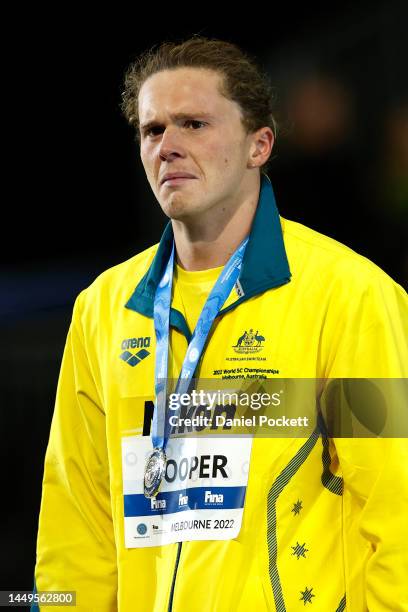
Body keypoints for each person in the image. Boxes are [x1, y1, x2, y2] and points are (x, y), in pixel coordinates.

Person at [32, 37, 408, 611]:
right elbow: (75, 521)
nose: (168, 147)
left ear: (259, 145)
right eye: (152, 130)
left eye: (194, 124)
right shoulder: (103, 310)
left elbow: (397, 505)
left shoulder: (349, 296)